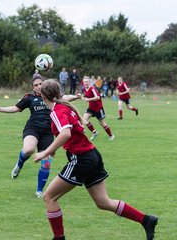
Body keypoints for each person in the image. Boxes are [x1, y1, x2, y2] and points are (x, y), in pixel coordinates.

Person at [35, 79, 158, 240]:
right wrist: (54, 150)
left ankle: (59, 238)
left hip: (81, 159)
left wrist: (46, 152)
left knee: (49, 197)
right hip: (92, 155)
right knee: (103, 202)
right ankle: (146, 220)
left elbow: (66, 134)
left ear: (43, 97)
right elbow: (68, 123)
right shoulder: (64, 105)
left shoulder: (57, 111)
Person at [0, 76, 53, 198]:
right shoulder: (29, 98)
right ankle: (19, 165)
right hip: (33, 128)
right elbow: (15, 108)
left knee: (46, 163)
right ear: (33, 88)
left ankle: (39, 190)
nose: (39, 86)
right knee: (29, 150)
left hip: (48, 132)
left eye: (41, 83)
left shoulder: (51, 97)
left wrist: (75, 96)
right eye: (36, 85)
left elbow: (65, 99)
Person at [81, 76, 115, 141]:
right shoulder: (85, 88)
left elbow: (97, 97)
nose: (85, 83)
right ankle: (94, 132)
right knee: (84, 119)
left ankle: (111, 135)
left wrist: (88, 99)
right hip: (91, 108)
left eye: (87, 82)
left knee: (102, 123)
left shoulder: (92, 88)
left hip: (98, 108)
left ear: (90, 82)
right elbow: (87, 95)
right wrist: (81, 96)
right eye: (84, 82)